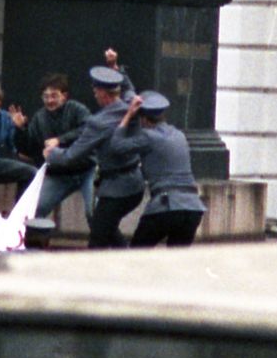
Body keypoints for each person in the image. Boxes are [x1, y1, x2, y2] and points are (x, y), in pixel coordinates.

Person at [45, 66, 145, 248]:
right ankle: (129, 261)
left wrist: (51, 154)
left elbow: (71, 156)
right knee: (108, 229)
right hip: (137, 185)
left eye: (95, 91)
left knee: (97, 240)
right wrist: (118, 68)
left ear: (102, 93)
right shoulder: (129, 104)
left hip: (116, 190)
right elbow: (130, 88)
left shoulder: (98, 123)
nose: (95, 95)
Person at [110, 91, 207, 247]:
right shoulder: (179, 135)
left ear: (144, 120)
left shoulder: (148, 136)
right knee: (177, 262)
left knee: (137, 255)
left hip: (166, 205)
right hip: (193, 207)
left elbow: (116, 145)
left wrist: (128, 115)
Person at [12, 73, 96, 223]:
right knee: (34, 210)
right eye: (46, 96)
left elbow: (89, 129)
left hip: (86, 169)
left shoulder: (76, 109)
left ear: (64, 96)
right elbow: (29, 148)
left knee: (93, 212)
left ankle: (110, 244)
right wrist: (19, 129)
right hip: (58, 174)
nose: (50, 101)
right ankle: (37, 242)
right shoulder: (39, 118)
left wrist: (60, 140)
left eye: (54, 96)